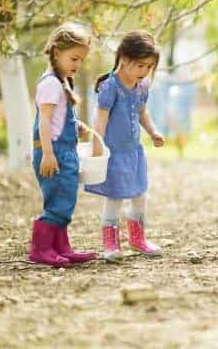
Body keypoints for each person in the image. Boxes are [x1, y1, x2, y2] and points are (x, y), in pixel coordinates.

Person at [85, 31, 165, 260]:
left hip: (134, 152)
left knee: (140, 194)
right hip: (114, 153)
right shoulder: (110, 87)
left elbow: (142, 113)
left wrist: (153, 131)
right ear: (123, 58)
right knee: (115, 197)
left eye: (149, 67)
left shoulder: (142, 87)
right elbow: (100, 121)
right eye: (140, 65)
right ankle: (111, 244)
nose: (144, 71)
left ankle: (138, 239)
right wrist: (97, 150)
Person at [30, 22, 97, 266]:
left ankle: (61, 247)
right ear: (57, 52)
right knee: (57, 202)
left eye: (81, 60)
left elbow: (58, 118)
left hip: (65, 151)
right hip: (54, 152)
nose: (78, 65)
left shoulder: (62, 81)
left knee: (65, 200)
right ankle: (41, 249)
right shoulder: (49, 83)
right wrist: (48, 154)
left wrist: (75, 124)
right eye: (74, 59)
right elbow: (44, 123)